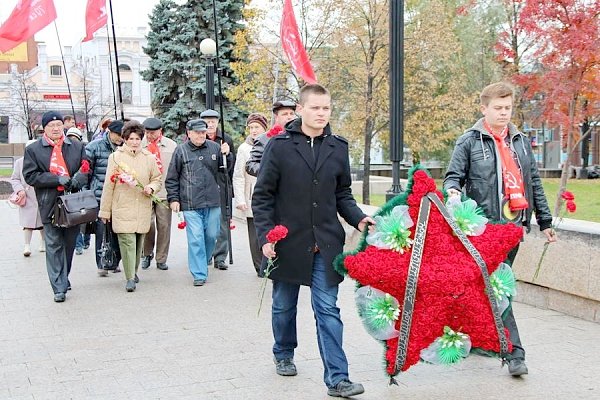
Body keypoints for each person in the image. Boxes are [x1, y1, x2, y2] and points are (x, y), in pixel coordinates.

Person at [252, 84, 373, 398]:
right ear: (301, 110)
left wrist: (359, 217)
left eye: (326, 108)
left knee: (327, 310)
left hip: (325, 243)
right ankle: (283, 351)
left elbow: (342, 194)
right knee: (283, 306)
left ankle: (338, 378)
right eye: (316, 108)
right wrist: (266, 236)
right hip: (287, 243)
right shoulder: (278, 147)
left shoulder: (338, 147)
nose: (321, 113)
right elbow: (263, 197)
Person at [444, 81, 556, 377]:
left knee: (488, 289)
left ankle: (478, 338)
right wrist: (454, 192)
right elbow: (452, 177)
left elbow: (533, 182)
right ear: (484, 109)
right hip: (485, 229)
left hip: (514, 226)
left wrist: (545, 221)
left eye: (508, 108)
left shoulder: (519, 140)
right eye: (498, 108)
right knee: (498, 287)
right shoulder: (469, 141)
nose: (504, 113)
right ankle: (515, 353)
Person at [23, 111, 89, 303]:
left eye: (59, 125)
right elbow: (31, 175)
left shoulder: (76, 146)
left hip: (73, 203)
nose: (55, 128)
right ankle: (58, 286)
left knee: (69, 243)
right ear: (45, 128)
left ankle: (63, 276)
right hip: (49, 202)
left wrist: (78, 178)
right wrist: (56, 179)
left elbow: (86, 168)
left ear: (63, 126)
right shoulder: (34, 150)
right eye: (51, 125)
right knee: (53, 244)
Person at [165, 118, 232, 286]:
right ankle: (199, 273)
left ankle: (205, 258)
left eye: (204, 132)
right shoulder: (181, 151)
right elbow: (172, 178)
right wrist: (174, 198)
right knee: (195, 238)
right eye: (198, 132)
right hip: (190, 202)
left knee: (211, 235)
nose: (202, 135)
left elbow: (226, 171)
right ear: (189, 133)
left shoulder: (215, 148)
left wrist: (227, 156)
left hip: (212, 201)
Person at [99, 121, 162, 292]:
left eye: (137, 138)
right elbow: (108, 185)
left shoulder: (149, 158)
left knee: (138, 243)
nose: (134, 142)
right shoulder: (116, 157)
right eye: (131, 138)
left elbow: (157, 179)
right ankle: (129, 278)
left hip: (142, 206)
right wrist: (105, 211)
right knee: (127, 242)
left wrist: (151, 187)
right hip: (122, 206)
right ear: (125, 139)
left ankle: (133, 271)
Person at [86, 119, 125, 277]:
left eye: (123, 135)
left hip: (120, 198)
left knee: (118, 231)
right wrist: (87, 193)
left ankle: (114, 261)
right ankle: (101, 263)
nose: (120, 138)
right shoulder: (94, 147)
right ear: (110, 132)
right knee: (102, 231)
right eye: (118, 135)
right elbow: (86, 173)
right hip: (99, 195)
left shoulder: (125, 149)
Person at [140, 117, 178, 271]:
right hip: (145, 191)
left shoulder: (171, 145)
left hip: (164, 192)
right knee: (146, 225)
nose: (149, 136)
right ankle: (146, 253)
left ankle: (161, 258)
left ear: (160, 131)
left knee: (164, 226)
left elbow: (176, 169)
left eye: (153, 133)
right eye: (147, 132)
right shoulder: (140, 144)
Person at [233, 113, 268, 276]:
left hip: (271, 196)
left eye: (257, 127)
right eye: (251, 127)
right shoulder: (244, 148)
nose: (254, 131)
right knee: (255, 235)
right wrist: (240, 199)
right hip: (252, 196)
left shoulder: (272, 143)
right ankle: (259, 266)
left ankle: (271, 264)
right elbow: (239, 176)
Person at [200, 109, 235, 270]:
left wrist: (227, 155)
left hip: (221, 185)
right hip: (203, 187)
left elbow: (230, 167)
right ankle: (206, 254)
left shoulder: (225, 139)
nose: (210, 124)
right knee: (205, 223)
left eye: (213, 121)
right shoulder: (198, 138)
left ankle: (220, 257)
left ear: (218, 122)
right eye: (207, 121)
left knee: (222, 223)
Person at [10, 140, 45, 257]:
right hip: (27, 195)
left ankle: (43, 242)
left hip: (40, 196)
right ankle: (27, 245)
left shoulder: (42, 161)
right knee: (27, 223)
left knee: (43, 222)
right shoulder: (20, 162)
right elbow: (15, 178)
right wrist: (20, 190)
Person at [245, 99, 297, 177]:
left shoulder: (302, 136)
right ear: (276, 117)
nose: (289, 117)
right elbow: (251, 165)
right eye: (285, 114)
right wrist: (270, 171)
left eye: (291, 114)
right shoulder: (264, 139)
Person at [66, 127, 91, 255]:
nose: (72, 141)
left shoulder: (83, 151)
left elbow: (85, 168)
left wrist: (76, 180)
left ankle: (86, 239)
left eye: (75, 138)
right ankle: (79, 244)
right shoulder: (63, 150)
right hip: (68, 189)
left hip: (80, 188)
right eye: (70, 138)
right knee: (75, 218)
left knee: (84, 218)